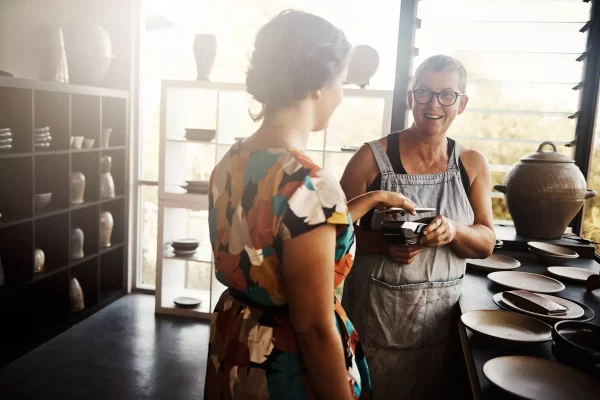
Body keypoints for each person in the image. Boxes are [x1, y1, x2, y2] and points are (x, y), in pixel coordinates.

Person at [205, 10, 417, 399]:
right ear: (318, 84)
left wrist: (367, 201)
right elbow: (314, 327)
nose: (342, 92)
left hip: (236, 345)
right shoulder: (310, 184)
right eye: (341, 80)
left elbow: (273, 239)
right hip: (284, 364)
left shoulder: (231, 162)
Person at [340, 55, 496, 399]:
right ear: (410, 99)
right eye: (424, 93)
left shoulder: (471, 163)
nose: (434, 104)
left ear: (462, 103)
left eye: (447, 95)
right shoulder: (370, 159)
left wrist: (454, 230)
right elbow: (331, 236)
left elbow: (486, 242)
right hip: (377, 324)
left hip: (442, 326)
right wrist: (384, 245)